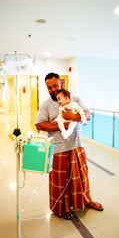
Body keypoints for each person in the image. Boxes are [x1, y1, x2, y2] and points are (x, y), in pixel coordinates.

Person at [35, 72, 103, 220]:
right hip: (58, 148)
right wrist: (60, 126)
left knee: (81, 177)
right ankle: (62, 208)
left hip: (77, 146)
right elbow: (39, 124)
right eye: (49, 87)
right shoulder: (46, 104)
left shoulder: (76, 99)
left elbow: (88, 114)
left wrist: (73, 117)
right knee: (60, 181)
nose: (53, 89)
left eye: (55, 85)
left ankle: (86, 200)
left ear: (62, 84)